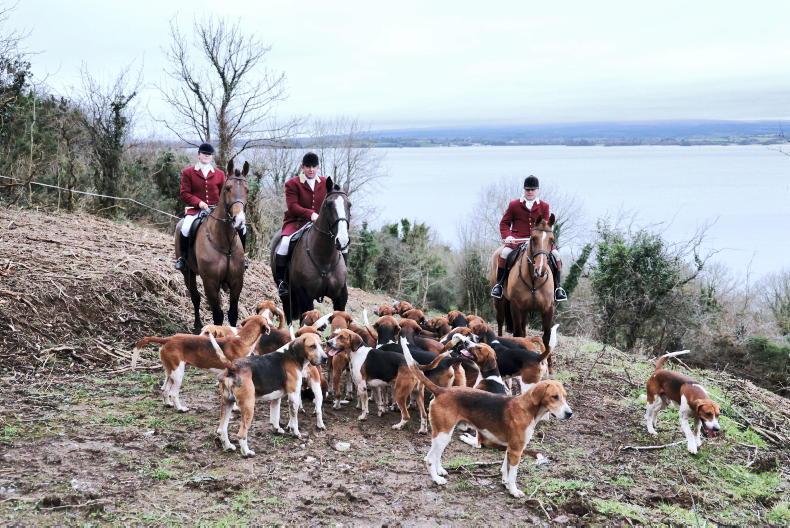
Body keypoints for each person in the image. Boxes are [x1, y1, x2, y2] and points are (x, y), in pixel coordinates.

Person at [490, 175, 567, 302]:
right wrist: (508, 236)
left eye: (533, 189)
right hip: (517, 240)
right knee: (504, 253)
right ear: (524, 190)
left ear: (537, 190)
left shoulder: (544, 206)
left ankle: (558, 288)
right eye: (527, 189)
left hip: (539, 242)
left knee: (556, 256)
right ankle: (499, 285)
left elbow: (545, 226)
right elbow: (504, 223)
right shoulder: (514, 205)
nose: (530, 192)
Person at [174, 143, 247, 270]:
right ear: (198, 155)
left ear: (212, 157)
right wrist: (199, 203)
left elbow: (224, 193)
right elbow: (185, 193)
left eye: (209, 154)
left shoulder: (219, 174)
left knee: (243, 228)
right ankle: (183, 258)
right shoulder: (188, 172)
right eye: (204, 153)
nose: (206, 156)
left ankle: (242, 257)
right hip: (196, 210)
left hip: (216, 210)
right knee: (185, 228)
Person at [273, 152, 328, 296]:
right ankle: (281, 281)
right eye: (308, 167)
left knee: (338, 242)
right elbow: (293, 207)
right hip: (296, 222)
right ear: (302, 167)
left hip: (320, 224)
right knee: (284, 243)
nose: (311, 170)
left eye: (314, 167)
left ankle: (338, 278)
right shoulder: (292, 183)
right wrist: (310, 214)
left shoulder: (325, 182)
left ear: (318, 167)